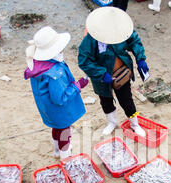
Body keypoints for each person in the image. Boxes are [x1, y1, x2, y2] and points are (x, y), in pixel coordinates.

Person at [78, 7, 148, 137]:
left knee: (127, 100)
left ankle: (134, 124)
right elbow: (84, 60)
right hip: (101, 78)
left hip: (122, 74)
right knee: (105, 100)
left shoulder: (123, 29)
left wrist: (140, 59)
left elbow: (134, 41)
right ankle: (112, 122)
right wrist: (101, 74)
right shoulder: (91, 38)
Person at [24, 26, 88, 159]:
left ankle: (57, 151)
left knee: (56, 128)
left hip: (47, 108)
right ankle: (65, 158)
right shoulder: (55, 73)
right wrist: (78, 85)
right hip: (59, 110)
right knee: (65, 132)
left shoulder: (37, 64)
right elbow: (60, 98)